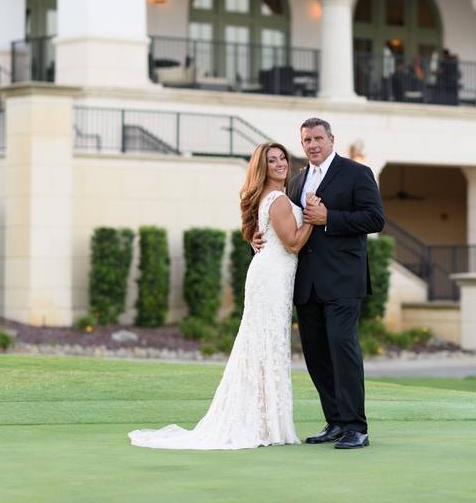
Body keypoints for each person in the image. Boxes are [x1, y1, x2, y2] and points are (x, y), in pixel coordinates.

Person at [128, 142, 316, 450]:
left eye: (283, 158)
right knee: (264, 344)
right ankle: (262, 424)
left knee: (264, 345)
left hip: (273, 276)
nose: (281, 163)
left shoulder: (276, 197)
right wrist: (310, 216)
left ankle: (263, 421)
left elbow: (266, 234)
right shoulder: (279, 199)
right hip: (270, 279)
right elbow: (294, 243)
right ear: (262, 167)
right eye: (272, 160)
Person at [255, 117, 385, 449]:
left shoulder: (357, 173)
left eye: (317, 138)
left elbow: (375, 218)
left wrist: (331, 218)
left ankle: (357, 426)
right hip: (305, 283)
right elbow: (284, 223)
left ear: (331, 139)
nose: (312, 145)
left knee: (343, 348)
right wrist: (257, 239)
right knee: (316, 354)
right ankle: (336, 421)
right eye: (306, 140)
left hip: (343, 281)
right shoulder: (296, 182)